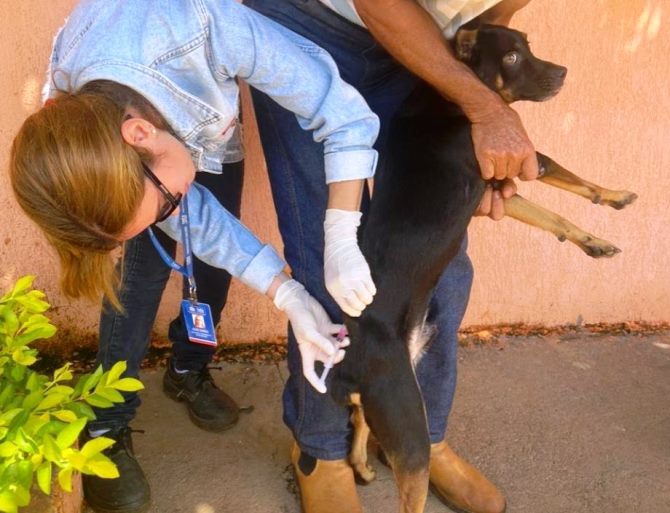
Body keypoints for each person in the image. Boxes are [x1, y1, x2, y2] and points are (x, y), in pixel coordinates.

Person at [9, 1, 385, 512]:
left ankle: (188, 370)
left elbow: (341, 111)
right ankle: (106, 424)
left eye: (163, 206)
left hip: (197, 107)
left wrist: (341, 234)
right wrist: (290, 293)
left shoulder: (209, 25)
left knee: (207, 265)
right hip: (154, 124)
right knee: (138, 278)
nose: (173, 214)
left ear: (139, 136)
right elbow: (184, 214)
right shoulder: (76, 111)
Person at [244, 1, 538, 513]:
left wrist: (481, 135)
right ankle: (322, 450)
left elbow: (489, 17)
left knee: (436, 254)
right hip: (305, 26)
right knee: (328, 260)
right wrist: (487, 110)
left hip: (418, 50)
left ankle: (420, 433)